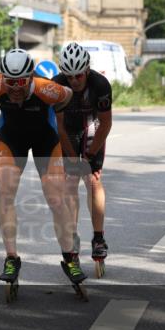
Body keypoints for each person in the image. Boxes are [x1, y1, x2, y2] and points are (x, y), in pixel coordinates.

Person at [0, 48, 80, 288]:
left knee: (55, 199)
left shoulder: (45, 89)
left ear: (30, 77)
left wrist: (57, 109)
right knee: (5, 190)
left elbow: (68, 95)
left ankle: (69, 256)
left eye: (20, 82)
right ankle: (11, 258)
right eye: (10, 82)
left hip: (45, 140)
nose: (15, 88)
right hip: (11, 138)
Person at [53, 42, 113, 275]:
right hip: (67, 131)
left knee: (94, 180)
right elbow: (58, 127)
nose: (75, 80)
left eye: (79, 75)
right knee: (70, 181)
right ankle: (72, 237)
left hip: (92, 128)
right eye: (70, 76)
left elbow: (106, 123)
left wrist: (89, 156)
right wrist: (72, 158)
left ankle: (98, 238)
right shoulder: (57, 85)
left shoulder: (100, 84)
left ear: (87, 70)